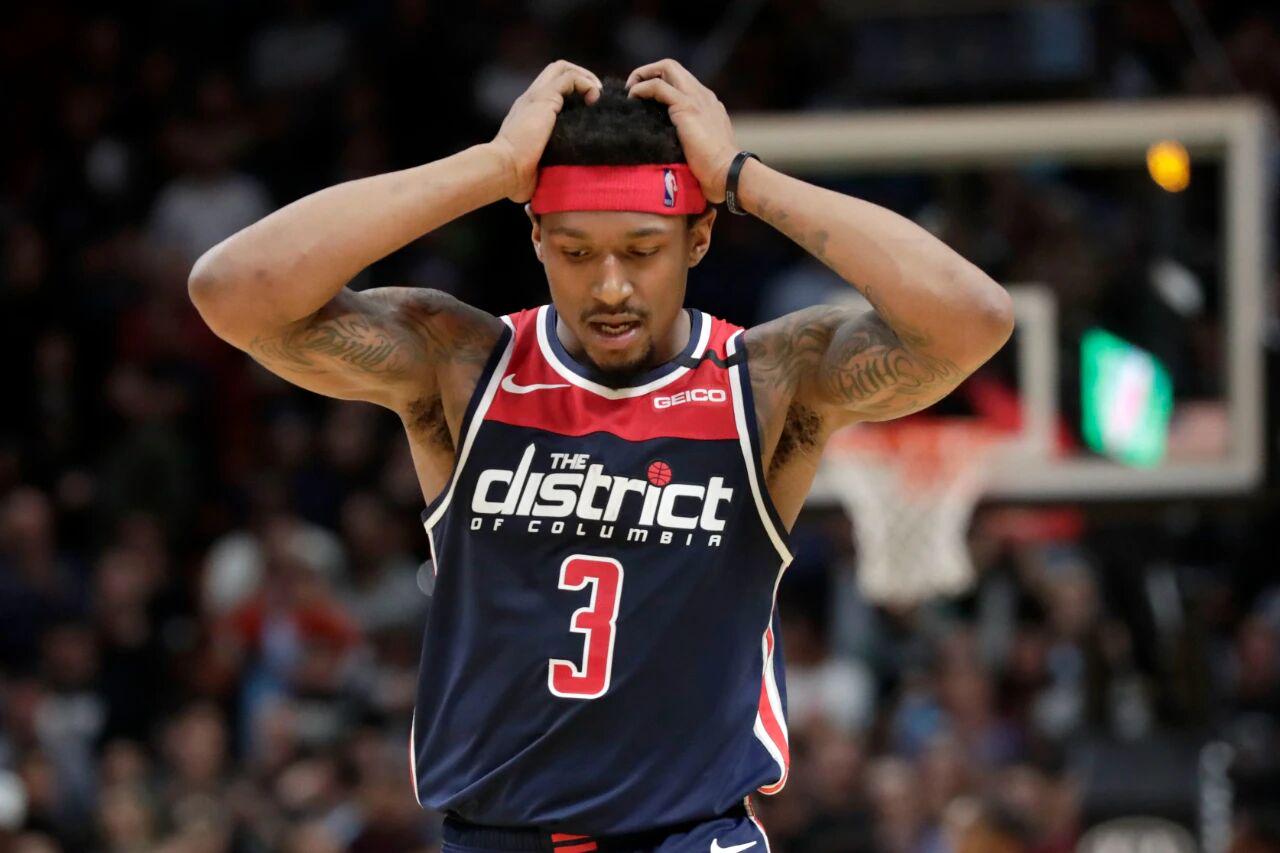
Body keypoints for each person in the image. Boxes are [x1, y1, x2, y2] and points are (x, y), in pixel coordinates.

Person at [189, 58, 1014, 853]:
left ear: (697, 238)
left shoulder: (764, 381)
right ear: (537, 237)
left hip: (691, 838)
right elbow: (231, 289)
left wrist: (741, 177)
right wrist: (491, 167)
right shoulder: (462, 364)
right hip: (491, 838)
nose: (611, 286)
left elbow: (971, 317)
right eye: (577, 252)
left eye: (642, 251)